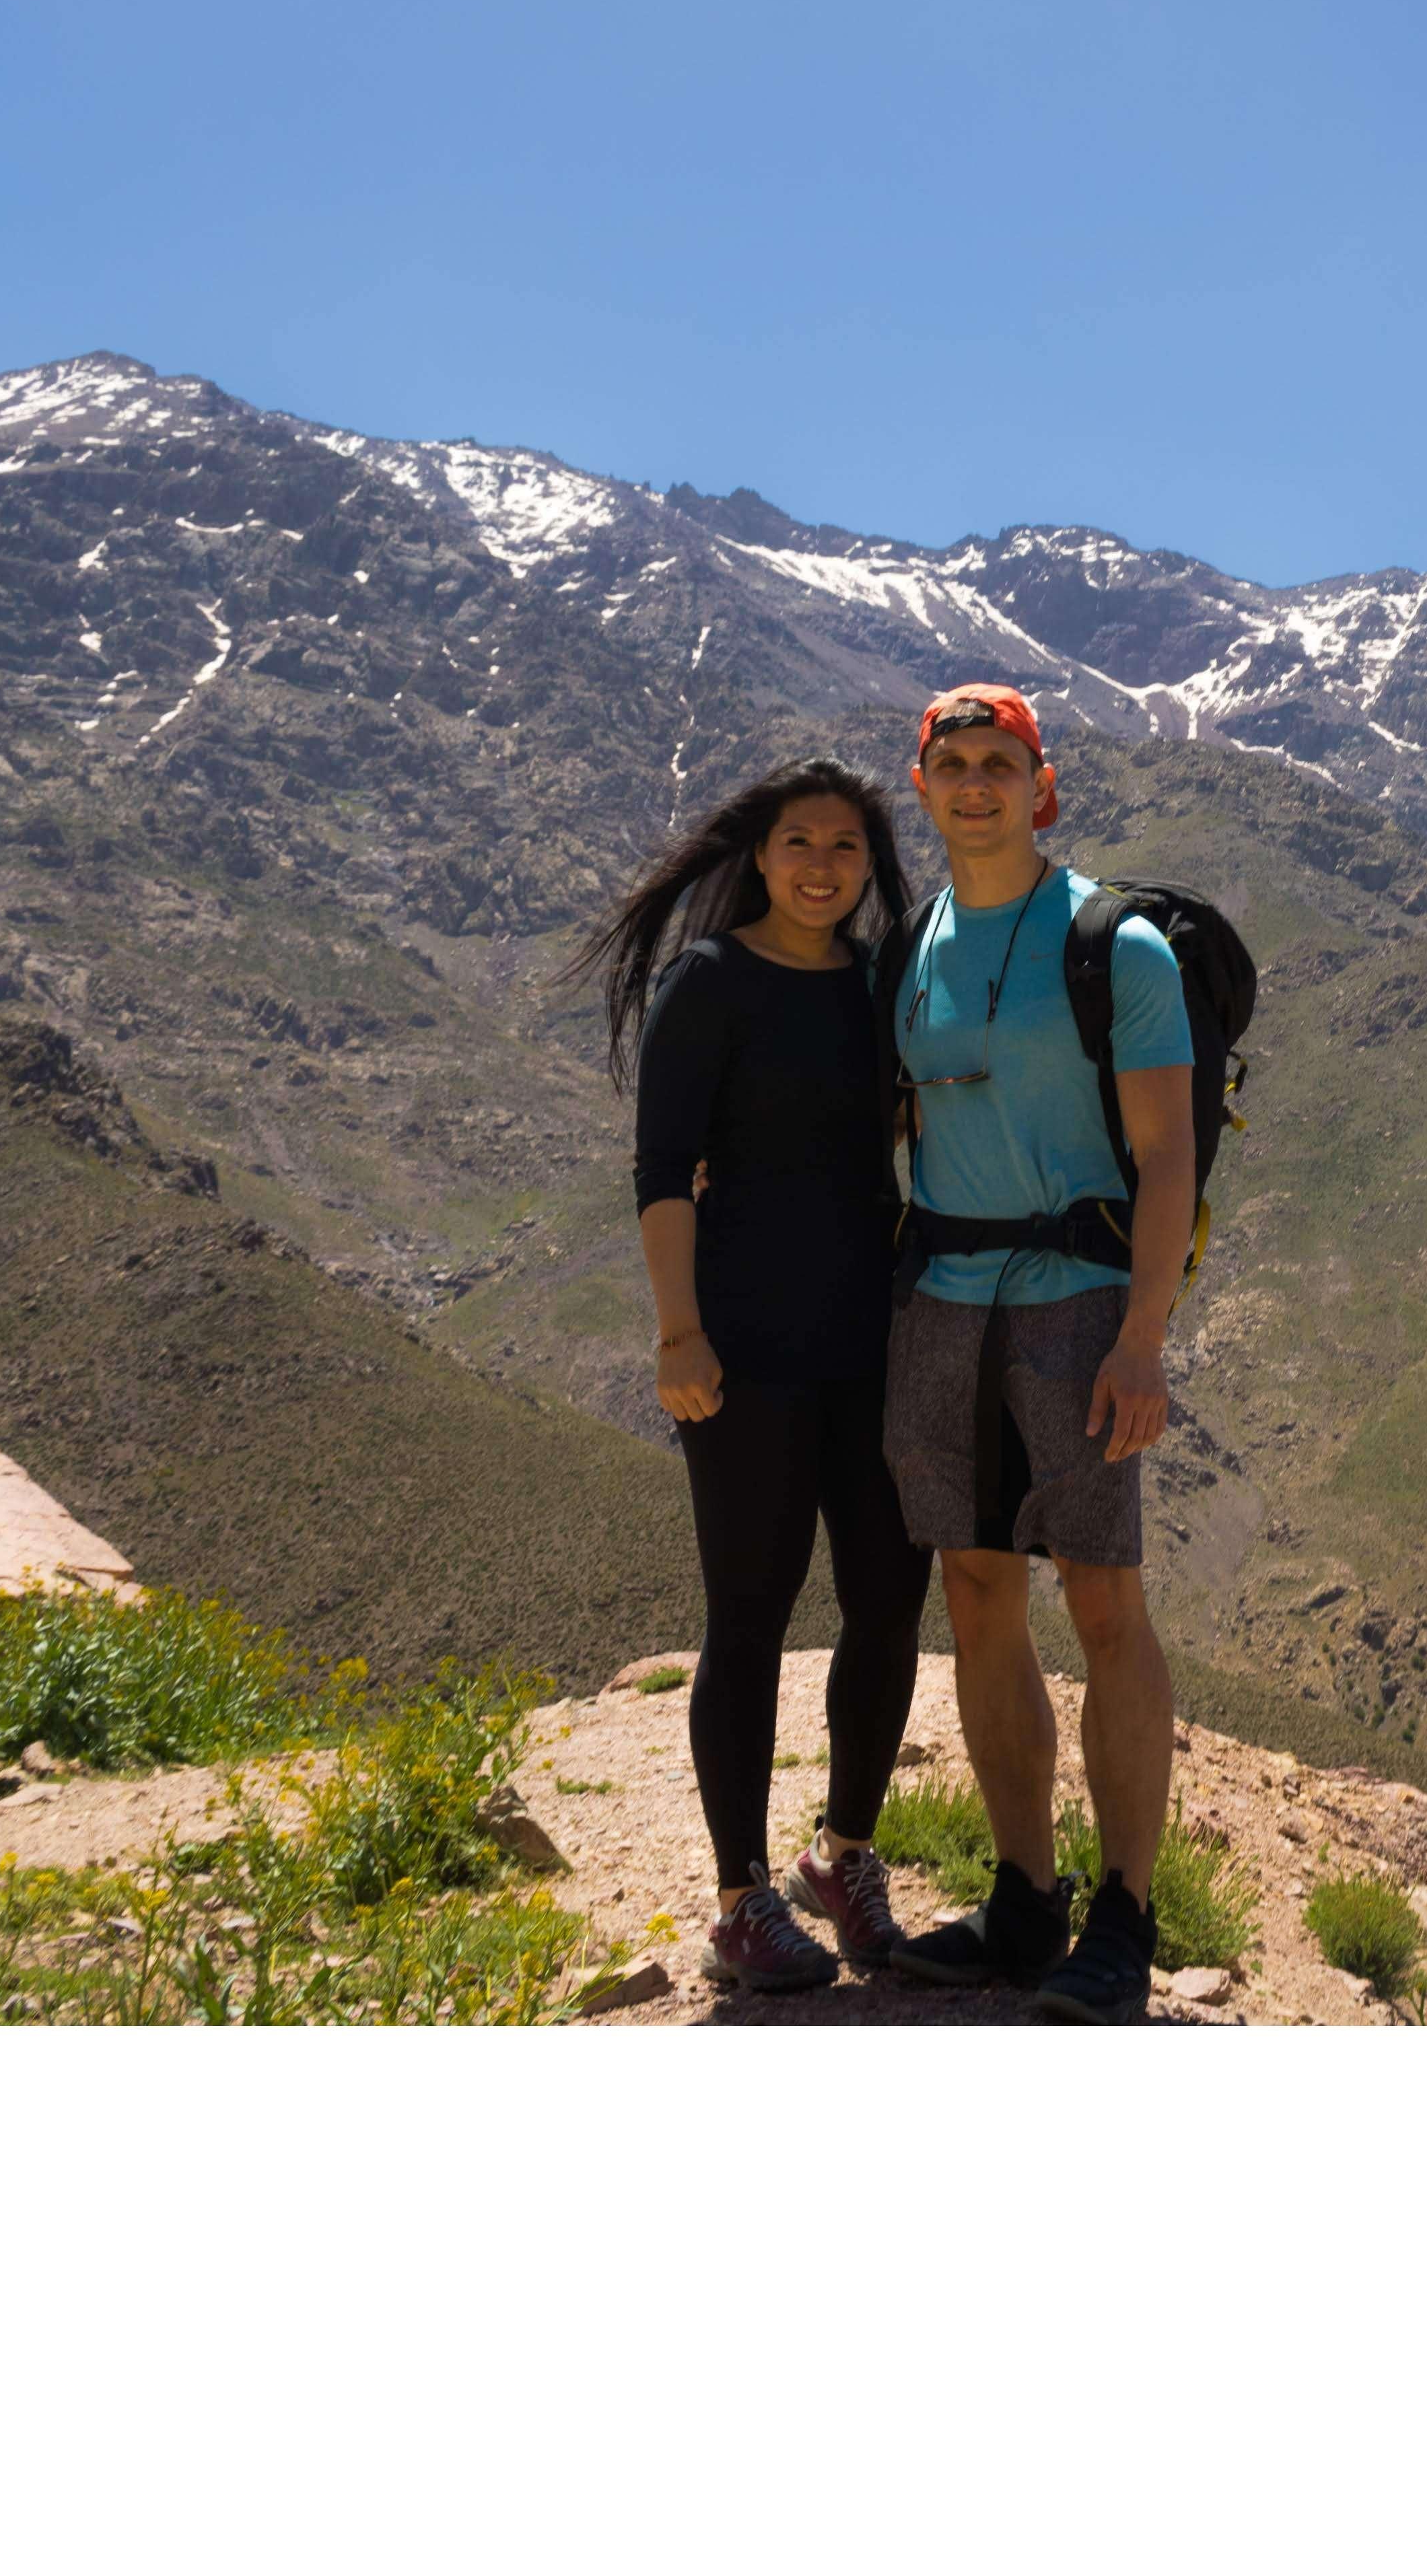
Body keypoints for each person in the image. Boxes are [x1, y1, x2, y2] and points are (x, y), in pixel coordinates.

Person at [567, 757, 932, 1994]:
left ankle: (845, 1858)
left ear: (870, 867)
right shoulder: (707, 982)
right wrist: (679, 1333)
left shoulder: (886, 984)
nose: (822, 866)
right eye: (798, 842)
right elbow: (662, 1168)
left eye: (846, 847)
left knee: (888, 1601)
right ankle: (738, 1899)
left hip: (875, 1344)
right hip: (745, 1348)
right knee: (752, 1616)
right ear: (759, 855)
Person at [878, 685, 1199, 2023]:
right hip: (942, 1296)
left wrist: (1143, 1335)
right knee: (975, 1587)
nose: (972, 783)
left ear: (1041, 783)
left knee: (1105, 1598)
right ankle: (1024, 1894)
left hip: (1077, 1301)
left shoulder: (1114, 948)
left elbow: (1169, 1149)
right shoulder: (913, 943)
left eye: (996, 763)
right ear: (923, 783)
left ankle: (1123, 1912)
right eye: (949, 762)